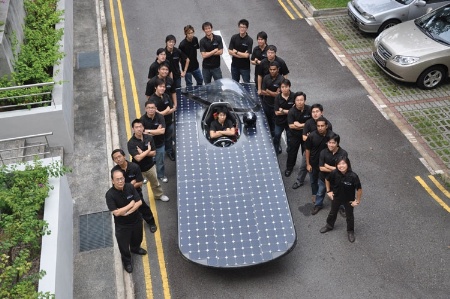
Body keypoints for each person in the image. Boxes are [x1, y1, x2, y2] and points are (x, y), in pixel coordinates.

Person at [106, 169, 147, 273]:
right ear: (112, 181)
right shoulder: (110, 195)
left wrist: (126, 211)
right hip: (122, 226)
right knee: (123, 246)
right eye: (117, 179)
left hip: (136, 220)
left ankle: (135, 248)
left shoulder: (129, 186)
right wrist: (130, 204)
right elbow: (116, 213)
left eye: (122, 178)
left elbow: (139, 203)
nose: (120, 181)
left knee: (138, 238)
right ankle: (127, 262)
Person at [111, 149, 158, 233]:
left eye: (119, 156)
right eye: (115, 158)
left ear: (124, 156)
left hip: (136, 193)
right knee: (130, 212)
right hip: (123, 195)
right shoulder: (114, 172)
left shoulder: (134, 167)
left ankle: (151, 222)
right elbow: (116, 185)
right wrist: (131, 184)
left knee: (143, 207)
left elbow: (139, 182)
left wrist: (127, 186)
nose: (118, 159)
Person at [321, 157, 362, 243]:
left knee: (349, 216)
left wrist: (357, 201)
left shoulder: (353, 176)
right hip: (336, 197)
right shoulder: (334, 173)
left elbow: (359, 189)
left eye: (343, 163)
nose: (341, 166)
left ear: (348, 164)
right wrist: (328, 191)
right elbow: (327, 179)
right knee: (332, 212)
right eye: (339, 164)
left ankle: (350, 231)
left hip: (349, 200)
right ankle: (329, 225)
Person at [292, 103, 333, 189]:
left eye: (317, 111)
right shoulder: (308, 122)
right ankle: (299, 181)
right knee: (303, 166)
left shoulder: (328, 124)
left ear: (322, 112)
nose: (315, 113)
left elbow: (329, 139)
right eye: (313, 112)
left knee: (322, 169)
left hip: (323, 151)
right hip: (309, 149)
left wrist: (310, 136)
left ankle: (326, 185)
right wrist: (313, 138)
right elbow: (303, 137)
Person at [127, 119, 170, 200]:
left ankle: (159, 195)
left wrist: (142, 152)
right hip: (138, 169)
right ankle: (138, 200)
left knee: (155, 183)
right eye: (136, 127)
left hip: (150, 166)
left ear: (143, 127)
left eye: (140, 126)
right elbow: (138, 158)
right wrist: (147, 150)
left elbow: (154, 153)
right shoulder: (131, 143)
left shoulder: (149, 137)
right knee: (138, 186)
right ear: (133, 129)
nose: (139, 129)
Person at [305, 116, 335, 215]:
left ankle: (338, 204)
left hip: (327, 166)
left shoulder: (332, 136)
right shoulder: (312, 136)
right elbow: (307, 150)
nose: (320, 128)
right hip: (314, 164)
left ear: (326, 126)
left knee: (333, 184)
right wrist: (308, 164)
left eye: (322, 126)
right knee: (314, 182)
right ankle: (317, 202)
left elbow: (336, 149)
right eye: (318, 126)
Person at [317, 133, 348, 216]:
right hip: (323, 178)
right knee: (320, 193)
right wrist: (334, 168)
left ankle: (341, 207)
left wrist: (327, 166)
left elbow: (342, 169)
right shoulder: (323, 152)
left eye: (333, 143)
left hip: (337, 180)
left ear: (337, 143)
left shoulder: (343, 153)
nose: (331, 145)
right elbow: (321, 168)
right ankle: (318, 205)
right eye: (329, 142)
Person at [139, 101, 168, 183]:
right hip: (148, 146)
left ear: (155, 109)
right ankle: (146, 177)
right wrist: (156, 131)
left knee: (160, 162)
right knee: (146, 163)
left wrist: (148, 131)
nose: (151, 109)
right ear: (145, 109)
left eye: (152, 108)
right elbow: (142, 133)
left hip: (159, 144)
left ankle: (161, 175)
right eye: (149, 108)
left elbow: (162, 131)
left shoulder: (160, 117)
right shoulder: (142, 120)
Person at [285, 92, 311, 177]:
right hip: (294, 136)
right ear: (294, 101)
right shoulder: (291, 112)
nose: (299, 102)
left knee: (306, 154)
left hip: (306, 136)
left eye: (301, 100)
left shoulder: (309, 109)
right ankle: (289, 168)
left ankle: (305, 169)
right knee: (292, 152)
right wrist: (306, 125)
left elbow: (313, 123)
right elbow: (291, 126)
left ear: (305, 101)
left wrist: (299, 125)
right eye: (297, 100)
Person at [149, 78, 176, 161]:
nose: (163, 88)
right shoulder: (152, 100)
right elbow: (154, 113)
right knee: (157, 142)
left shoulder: (166, 96)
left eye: (164, 87)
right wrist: (166, 111)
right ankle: (155, 157)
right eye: (160, 86)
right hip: (158, 126)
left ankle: (169, 151)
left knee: (168, 139)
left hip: (168, 123)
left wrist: (161, 113)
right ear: (155, 87)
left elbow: (172, 109)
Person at [261, 61, 283, 137]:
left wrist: (268, 90)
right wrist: (272, 93)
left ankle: (276, 140)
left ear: (278, 70)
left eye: (274, 69)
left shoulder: (281, 79)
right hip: (266, 104)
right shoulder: (266, 77)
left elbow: (278, 95)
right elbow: (262, 91)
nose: (272, 71)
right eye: (271, 69)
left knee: (275, 124)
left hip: (275, 106)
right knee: (266, 122)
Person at [273, 79, 295, 155]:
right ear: (280, 88)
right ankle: (276, 152)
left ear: (289, 87)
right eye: (282, 87)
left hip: (290, 122)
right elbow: (277, 112)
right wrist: (290, 111)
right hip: (279, 122)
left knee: (290, 138)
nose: (284, 89)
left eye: (286, 87)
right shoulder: (277, 98)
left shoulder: (294, 96)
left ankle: (289, 151)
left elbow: (295, 111)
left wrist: (282, 110)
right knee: (276, 136)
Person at [228, 19, 253, 83]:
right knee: (235, 83)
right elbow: (230, 51)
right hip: (234, 66)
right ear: (239, 27)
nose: (242, 29)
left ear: (246, 28)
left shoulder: (249, 40)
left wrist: (236, 52)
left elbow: (247, 55)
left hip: (245, 67)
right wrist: (242, 55)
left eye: (244, 27)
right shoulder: (234, 37)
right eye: (241, 27)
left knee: (246, 84)